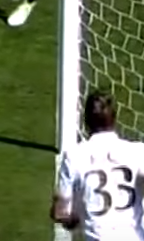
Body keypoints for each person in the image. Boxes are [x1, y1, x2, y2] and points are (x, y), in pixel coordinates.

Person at [52, 89, 144, 240]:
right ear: (114, 119)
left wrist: (73, 219)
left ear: (86, 121)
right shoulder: (138, 151)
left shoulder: (74, 156)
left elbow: (60, 212)